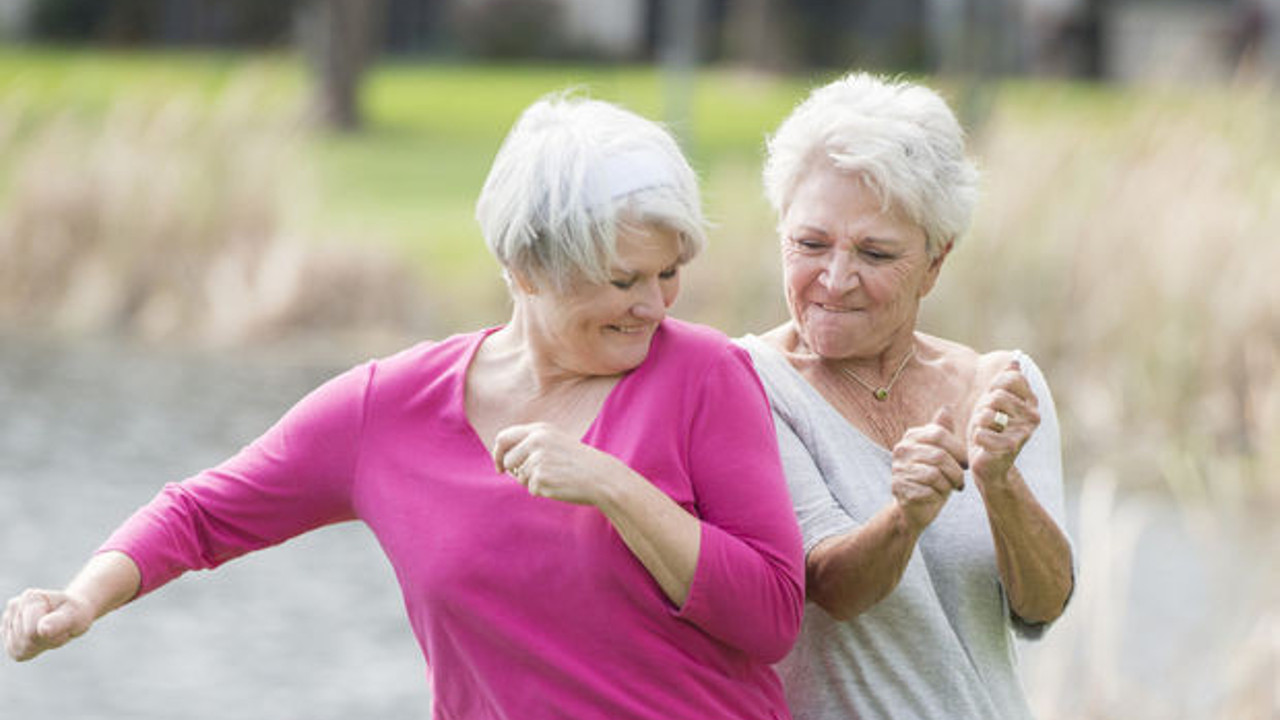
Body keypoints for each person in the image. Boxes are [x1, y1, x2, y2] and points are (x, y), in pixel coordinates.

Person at [3, 94, 805, 719]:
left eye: (669, 272)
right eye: (623, 280)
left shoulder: (706, 376)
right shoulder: (387, 411)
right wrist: (82, 597)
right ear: (525, 268)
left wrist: (616, 488)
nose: (655, 305)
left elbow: (773, 617)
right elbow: (200, 514)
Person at [736, 73, 1075, 719]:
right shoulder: (744, 379)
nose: (835, 280)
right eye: (810, 244)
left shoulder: (1001, 386)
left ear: (936, 261)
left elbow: (1043, 605)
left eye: (875, 252)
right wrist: (905, 516)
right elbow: (829, 587)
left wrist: (1000, 483)